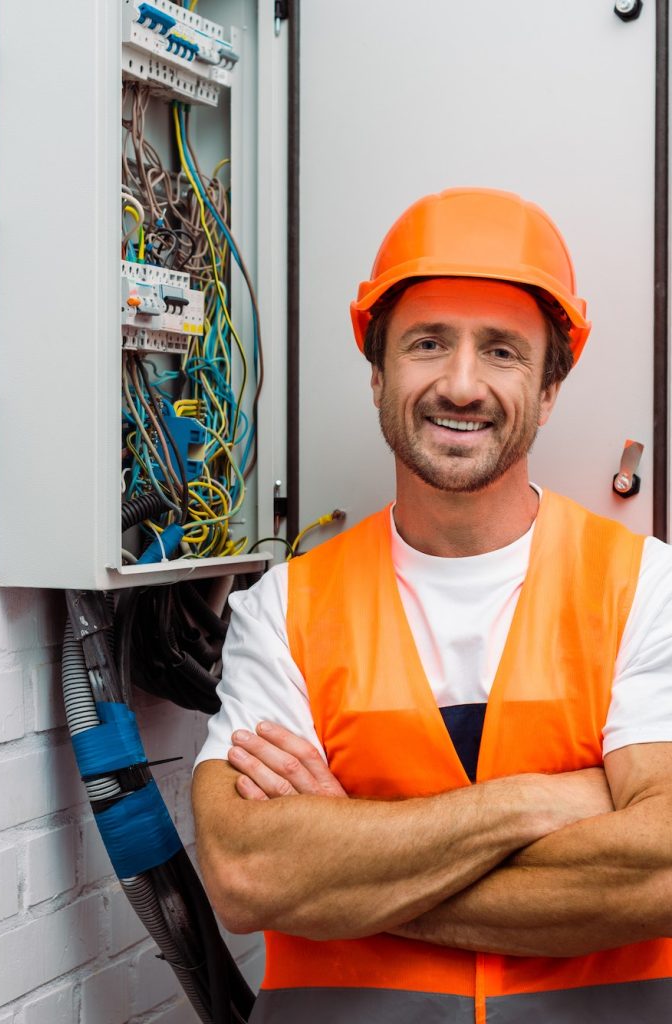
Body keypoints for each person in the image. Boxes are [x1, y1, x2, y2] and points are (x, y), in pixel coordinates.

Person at [191, 188, 672, 1023]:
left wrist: (350, 864)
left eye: (502, 353)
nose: (460, 384)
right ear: (378, 372)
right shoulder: (284, 610)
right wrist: (544, 800)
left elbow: (660, 871)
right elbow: (247, 874)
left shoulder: (646, 589)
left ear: (550, 389)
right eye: (426, 344)